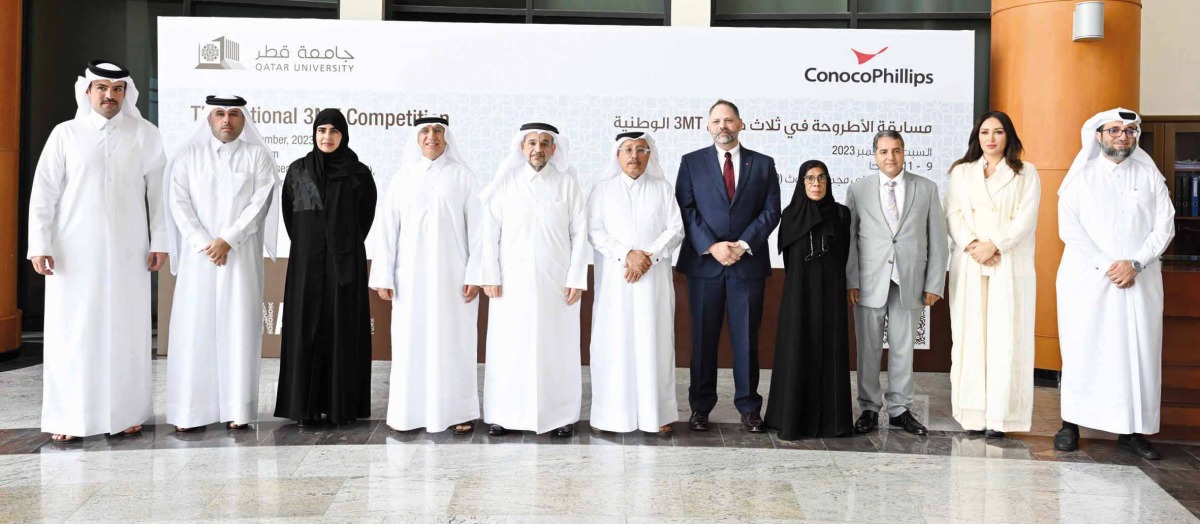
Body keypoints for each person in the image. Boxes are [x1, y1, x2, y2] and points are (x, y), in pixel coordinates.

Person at [28, 60, 167, 442]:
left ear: (126, 93)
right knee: (74, 333)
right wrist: (39, 244)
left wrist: (160, 241)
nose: (110, 95)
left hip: (129, 253)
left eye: (117, 89)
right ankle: (69, 418)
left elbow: (158, 193)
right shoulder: (65, 134)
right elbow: (44, 193)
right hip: (73, 254)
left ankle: (126, 414)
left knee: (126, 331)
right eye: (102, 88)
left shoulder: (145, 134)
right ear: (87, 91)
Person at [1054, 108, 1174, 460]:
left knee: (1138, 353)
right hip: (1089, 281)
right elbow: (1070, 229)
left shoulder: (1150, 176)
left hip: (1139, 279)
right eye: (1114, 130)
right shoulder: (1081, 178)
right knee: (1084, 349)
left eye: (1129, 131)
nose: (1123, 136)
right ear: (1098, 136)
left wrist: (1134, 263)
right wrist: (1110, 265)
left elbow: (1164, 227)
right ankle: (1070, 424)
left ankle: (1132, 431)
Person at [164, 95, 280, 432]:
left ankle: (237, 410)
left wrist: (228, 239)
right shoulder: (188, 156)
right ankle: (190, 413)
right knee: (195, 330)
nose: (226, 120)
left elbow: (260, 202)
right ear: (209, 118)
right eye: (219, 114)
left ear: (243, 119)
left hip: (239, 257)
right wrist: (205, 243)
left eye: (233, 114)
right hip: (199, 258)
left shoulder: (257, 156)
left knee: (238, 328)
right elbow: (178, 203)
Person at [467, 122, 589, 438]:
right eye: (532, 142)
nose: (538, 148)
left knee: (557, 348)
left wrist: (577, 277)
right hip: (510, 283)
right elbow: (489, 232)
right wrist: (489, 275)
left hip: (557, 284)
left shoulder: (567, 183)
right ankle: (504, 415)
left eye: (545, 143)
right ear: (522, 147)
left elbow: (580, 232)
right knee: (509, 347)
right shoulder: (505, 182)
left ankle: (561, 416)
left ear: (554, 148)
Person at [369, 116, 483, 435]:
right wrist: (384, 275)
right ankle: (408, 414)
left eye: (438, 131)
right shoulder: (403, 178)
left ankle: (458, 412)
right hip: (411, 279)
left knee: (454, 344)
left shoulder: (463, 176)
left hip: (454, 279)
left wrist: (476, 273)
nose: (431, 136)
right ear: (416, 138)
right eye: (425, 131)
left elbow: (479, 230)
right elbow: (387, 230)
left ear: (446, 138)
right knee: (411, 343)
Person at [676, 99, 781, 433]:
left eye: (729, 120)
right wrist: (712, 246)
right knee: (703, 339)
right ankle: (700, 407)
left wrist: (743, 245)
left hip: (746, 264)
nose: (723, 126)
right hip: (704, 264)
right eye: (717, 121)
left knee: (747, 339)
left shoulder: (762, 164)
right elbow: (686, 209)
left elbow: (771, 211)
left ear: (740, 124)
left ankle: (749, 408)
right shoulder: (691, 163)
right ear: (709, 127)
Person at [275, 108, 377, 426]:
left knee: (341, 330)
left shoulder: (358, 173)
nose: (327, 137)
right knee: (305, 328)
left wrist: (341, 245)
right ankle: (303, 409)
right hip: (306, 265)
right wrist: (310, 246)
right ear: (314, 134)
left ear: (343, 135)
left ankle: (340, 407)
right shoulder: (299, 171)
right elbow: (291, 218)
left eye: (334, 131)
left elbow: (365, 218)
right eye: (322, 130)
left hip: (344, 264)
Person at [845, 129, 948, 436]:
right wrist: (851, 280)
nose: (890, 157)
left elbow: (938, 239)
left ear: (904, 153)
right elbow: (850, 239)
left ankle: (900, 409)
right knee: (868, 348)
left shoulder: (926, 188)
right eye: (884, 151)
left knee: (904, 348)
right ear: (874, 155)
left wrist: (934, 283)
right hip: (868, 281)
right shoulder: (858, 189)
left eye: (896, 150)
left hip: (910, 281)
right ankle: (869, 408)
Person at [945, 111, 1041, 439]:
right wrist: (974, 245)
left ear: (1008, 136)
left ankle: (1002, 417)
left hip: (1007, 261)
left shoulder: (1025, 173)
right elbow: (953, 213)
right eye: (985, 132)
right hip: (970, 262)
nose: (991, 138)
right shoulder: (962, 172)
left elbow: (1025, 218)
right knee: (970, 336)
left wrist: (994, 244)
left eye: (998, 132)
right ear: (977, 136)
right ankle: (972, 414)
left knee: (1006, 337)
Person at [587, 132, 684, 435]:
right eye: (628, 149)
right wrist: (627, 254)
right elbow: (594, 231)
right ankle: (611, 416)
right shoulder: (602, 190)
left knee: (654, 342)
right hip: (616, 282)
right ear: (617, 155)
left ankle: (658, 413)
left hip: (653, 281)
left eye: (641, 149)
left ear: (649, 155)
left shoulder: (662, 188)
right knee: (615, 343)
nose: (634, 156)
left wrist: (648, 257)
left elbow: (676, 229)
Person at [764, 160, 853, 439]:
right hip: (799, 297)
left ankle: (833, 423)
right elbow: (790, 261)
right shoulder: (790, 215)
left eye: (822, 178)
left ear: (828, 182)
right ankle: (791, 419)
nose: (816, 184)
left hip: (832, 297)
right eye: (810, 178)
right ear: (801, 182)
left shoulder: (841, 214)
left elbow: (844, 254)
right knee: (798, 348)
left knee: (830, 351)